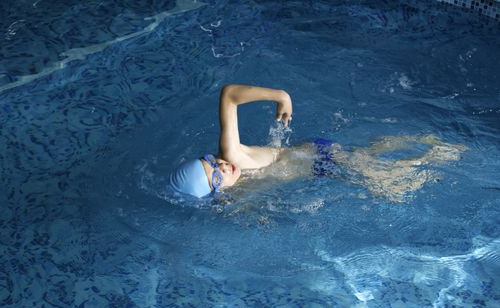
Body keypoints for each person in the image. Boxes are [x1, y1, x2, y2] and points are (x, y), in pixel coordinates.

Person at [169, 84, 466, 202]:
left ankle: (440, 155)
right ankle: (419, 140)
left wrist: (280, 96)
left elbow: (229, 95)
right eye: (216, 174)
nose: (221, 164)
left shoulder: (233, 156)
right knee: (368, 155)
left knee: (393, 190)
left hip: (318, 158)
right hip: (315, 162)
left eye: (210, 161)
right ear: (215, 192)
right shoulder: (231, 199)